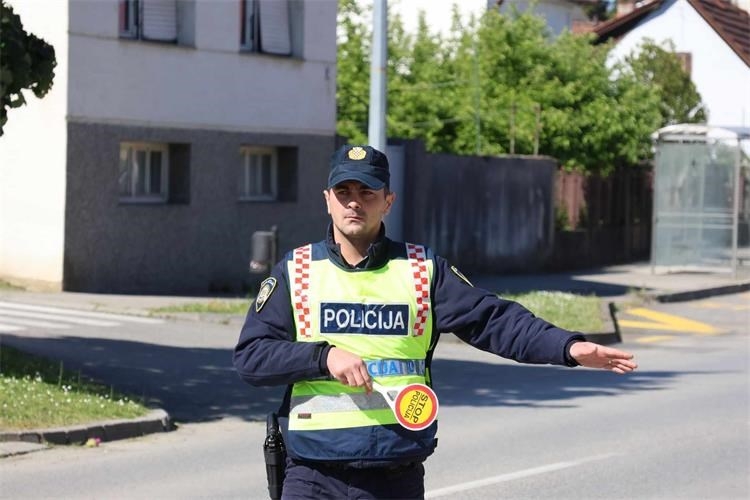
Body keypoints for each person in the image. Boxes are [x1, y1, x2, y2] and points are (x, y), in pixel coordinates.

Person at [233, 144, 637, 500]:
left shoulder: (421, 269)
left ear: (387, 201)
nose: (354, 202)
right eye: (344, 192)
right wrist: (324, 357)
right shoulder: (299, 270)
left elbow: (493, 320)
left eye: (367, 192)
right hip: (313, 475)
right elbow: (252, 357)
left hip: (394, 473)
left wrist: (567, 347)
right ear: (327, 200)